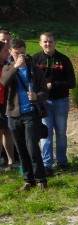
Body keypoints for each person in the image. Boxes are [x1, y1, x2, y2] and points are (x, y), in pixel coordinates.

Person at [1, 38, 48, 190]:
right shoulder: (8, 68)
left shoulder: (34, 69)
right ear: (11, 53)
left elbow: (44, 91)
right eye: (17, 53)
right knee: (21, 149)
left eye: (23, 53)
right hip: (13, 115)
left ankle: (41, 179)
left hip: (30, 114)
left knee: (32, 148)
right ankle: (29, 180)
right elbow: (4, 82)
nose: (21, 56)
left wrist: (37, 96)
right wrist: (16, 66)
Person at [32, 32, 75, 174]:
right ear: (40, 43)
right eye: (45, 42)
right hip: (43, 102)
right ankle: (47, 164)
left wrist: (54, 84)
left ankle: (62, 162)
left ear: (55, 43)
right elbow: (30, 81)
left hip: (61, 100)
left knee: (61, 132)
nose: (48, 44)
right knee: (46, 133)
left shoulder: (63, 59)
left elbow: (72, 82)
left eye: (50, 41)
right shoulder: (36, 59)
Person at [0, 38, 17, 171]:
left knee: (8, 131)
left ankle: (11, 161)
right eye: (5, 50)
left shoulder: (8, 64)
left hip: (7, 102)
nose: (8, 52)